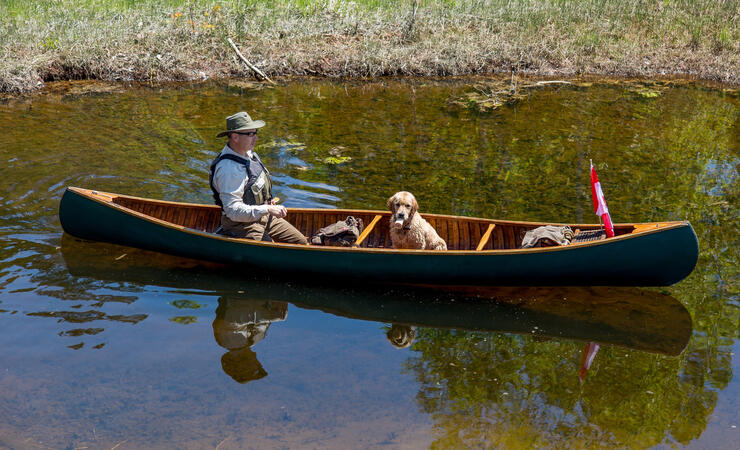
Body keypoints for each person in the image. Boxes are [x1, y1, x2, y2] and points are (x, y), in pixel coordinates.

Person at [209, 111, 307, 244]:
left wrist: (267, 203)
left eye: (255, 133)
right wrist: (267, 209)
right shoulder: (229, 169)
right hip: (241, 225)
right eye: (250, 134)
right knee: (274, 253)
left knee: (301, 242)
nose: (255, 138)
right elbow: (232, 210)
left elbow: (255, 184)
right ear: (235, 137)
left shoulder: (248, 154)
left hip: (264, 216)